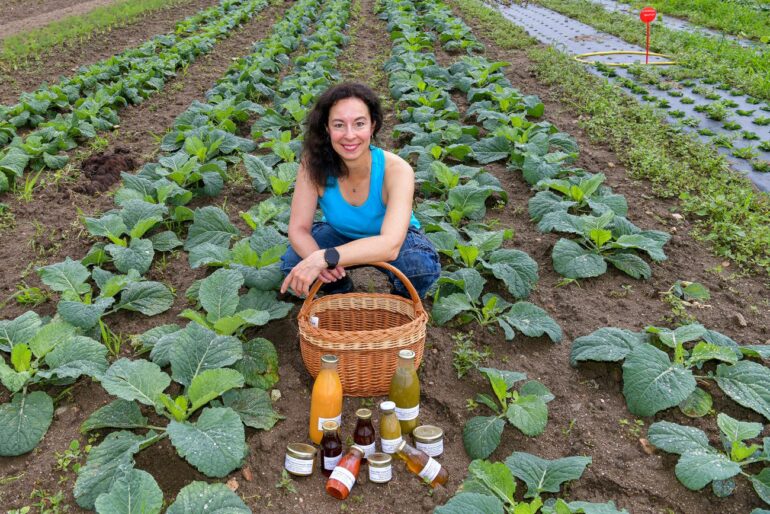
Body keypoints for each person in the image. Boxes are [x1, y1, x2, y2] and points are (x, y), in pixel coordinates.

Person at [279, 82, 440, 298]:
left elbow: (390, 244)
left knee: (418, 267)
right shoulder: (313, 165)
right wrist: (319, 261)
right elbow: (298, 229)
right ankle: (341, 290)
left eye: (359, 124)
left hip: (395, 242)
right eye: (338, 125)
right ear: (327, 128)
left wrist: (325, 257)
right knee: (295, 264)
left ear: (373, 126)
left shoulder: (397, 170)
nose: (349, 135)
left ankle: (398, 302)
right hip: (340, 234)